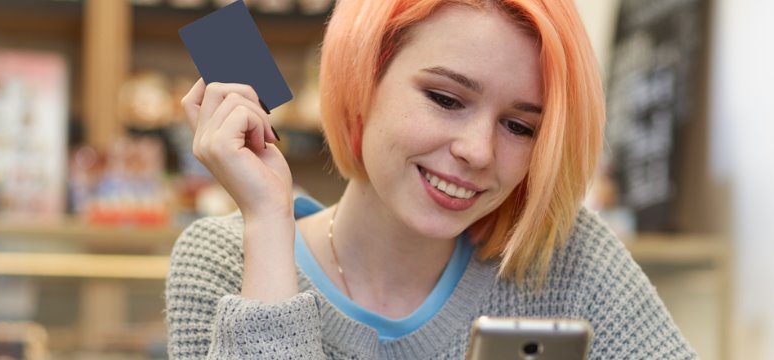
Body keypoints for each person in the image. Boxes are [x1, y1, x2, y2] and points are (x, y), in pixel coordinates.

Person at [165, 0, 698, 358]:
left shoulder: (566, 259)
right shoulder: (223, 261)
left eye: (519, 126)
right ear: (364, 78)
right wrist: (265, 220)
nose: (477, 151)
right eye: (446, 99)